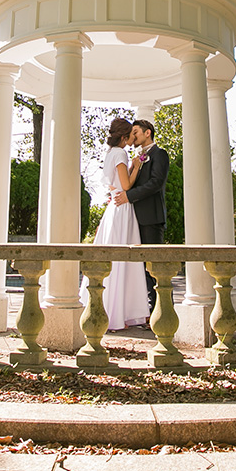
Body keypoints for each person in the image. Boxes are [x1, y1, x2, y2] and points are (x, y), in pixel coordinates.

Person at [85, 117, 151, 331]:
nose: (133, 138)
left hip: (114, 206)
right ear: (123, 137)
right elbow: (126, 185)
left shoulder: (110, 154)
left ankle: (113, 310)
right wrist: (136, 166)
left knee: (114, 259)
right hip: (122, 208)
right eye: (131, 135)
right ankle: (119, 313)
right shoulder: (121, 153)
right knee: (124, 260)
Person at [114, 118, 169, 311]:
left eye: (136, 132)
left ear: (148, 133)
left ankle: (160, 311)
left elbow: (155, 184)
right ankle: (145, 311)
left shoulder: (160, 154)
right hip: (133, 219)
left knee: (154, 268)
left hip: (151, 219)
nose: (133, 136)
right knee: (139, 269)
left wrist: (128, 196)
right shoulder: (136, 158)